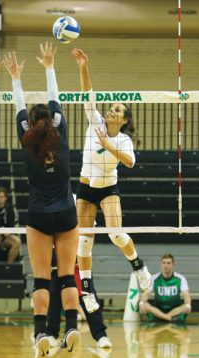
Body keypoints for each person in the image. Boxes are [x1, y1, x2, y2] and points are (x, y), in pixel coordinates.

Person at [4, 43, 81, 358]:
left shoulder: (26, 138)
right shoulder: (60, 129)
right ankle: (72, 327)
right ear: (51, 120)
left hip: (38, 214)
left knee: (40, 279)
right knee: (65, 276)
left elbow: (19, 107)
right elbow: (55, 99)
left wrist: (15, 78)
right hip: (66, 212)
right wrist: (49, 66)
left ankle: (40, 334)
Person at [71, 48, 151, 313]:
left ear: (124, 119)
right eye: (111, 108)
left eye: (117, 110)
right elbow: (87, 95)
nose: (111, 111)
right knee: (84, 240)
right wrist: (83, 66)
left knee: (116, 234)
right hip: (85, 187)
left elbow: (129, 162)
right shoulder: (94, 120)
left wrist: (107, 144)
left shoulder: (123, 139)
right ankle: (87, 291)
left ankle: (138, 266)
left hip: (108, 188)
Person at [46, 253, 112, 350]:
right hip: (57, 266)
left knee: (88, 298)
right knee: (54, 299)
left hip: (79, 266)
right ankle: (51, 334)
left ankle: (101, 335)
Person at [140, 253, 192, 323]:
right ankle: (169, 319)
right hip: (158, 309)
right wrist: (141, 303)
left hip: (174, 309)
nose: (166, 265)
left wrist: (188, 305)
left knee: (186, 306)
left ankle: (162, 318)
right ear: (160, 264)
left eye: (168, 263)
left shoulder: (180, 278)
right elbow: (146, 293)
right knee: (145, 304)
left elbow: (186, 295)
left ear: (173, 265)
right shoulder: (154, 278)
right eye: (163, 263)